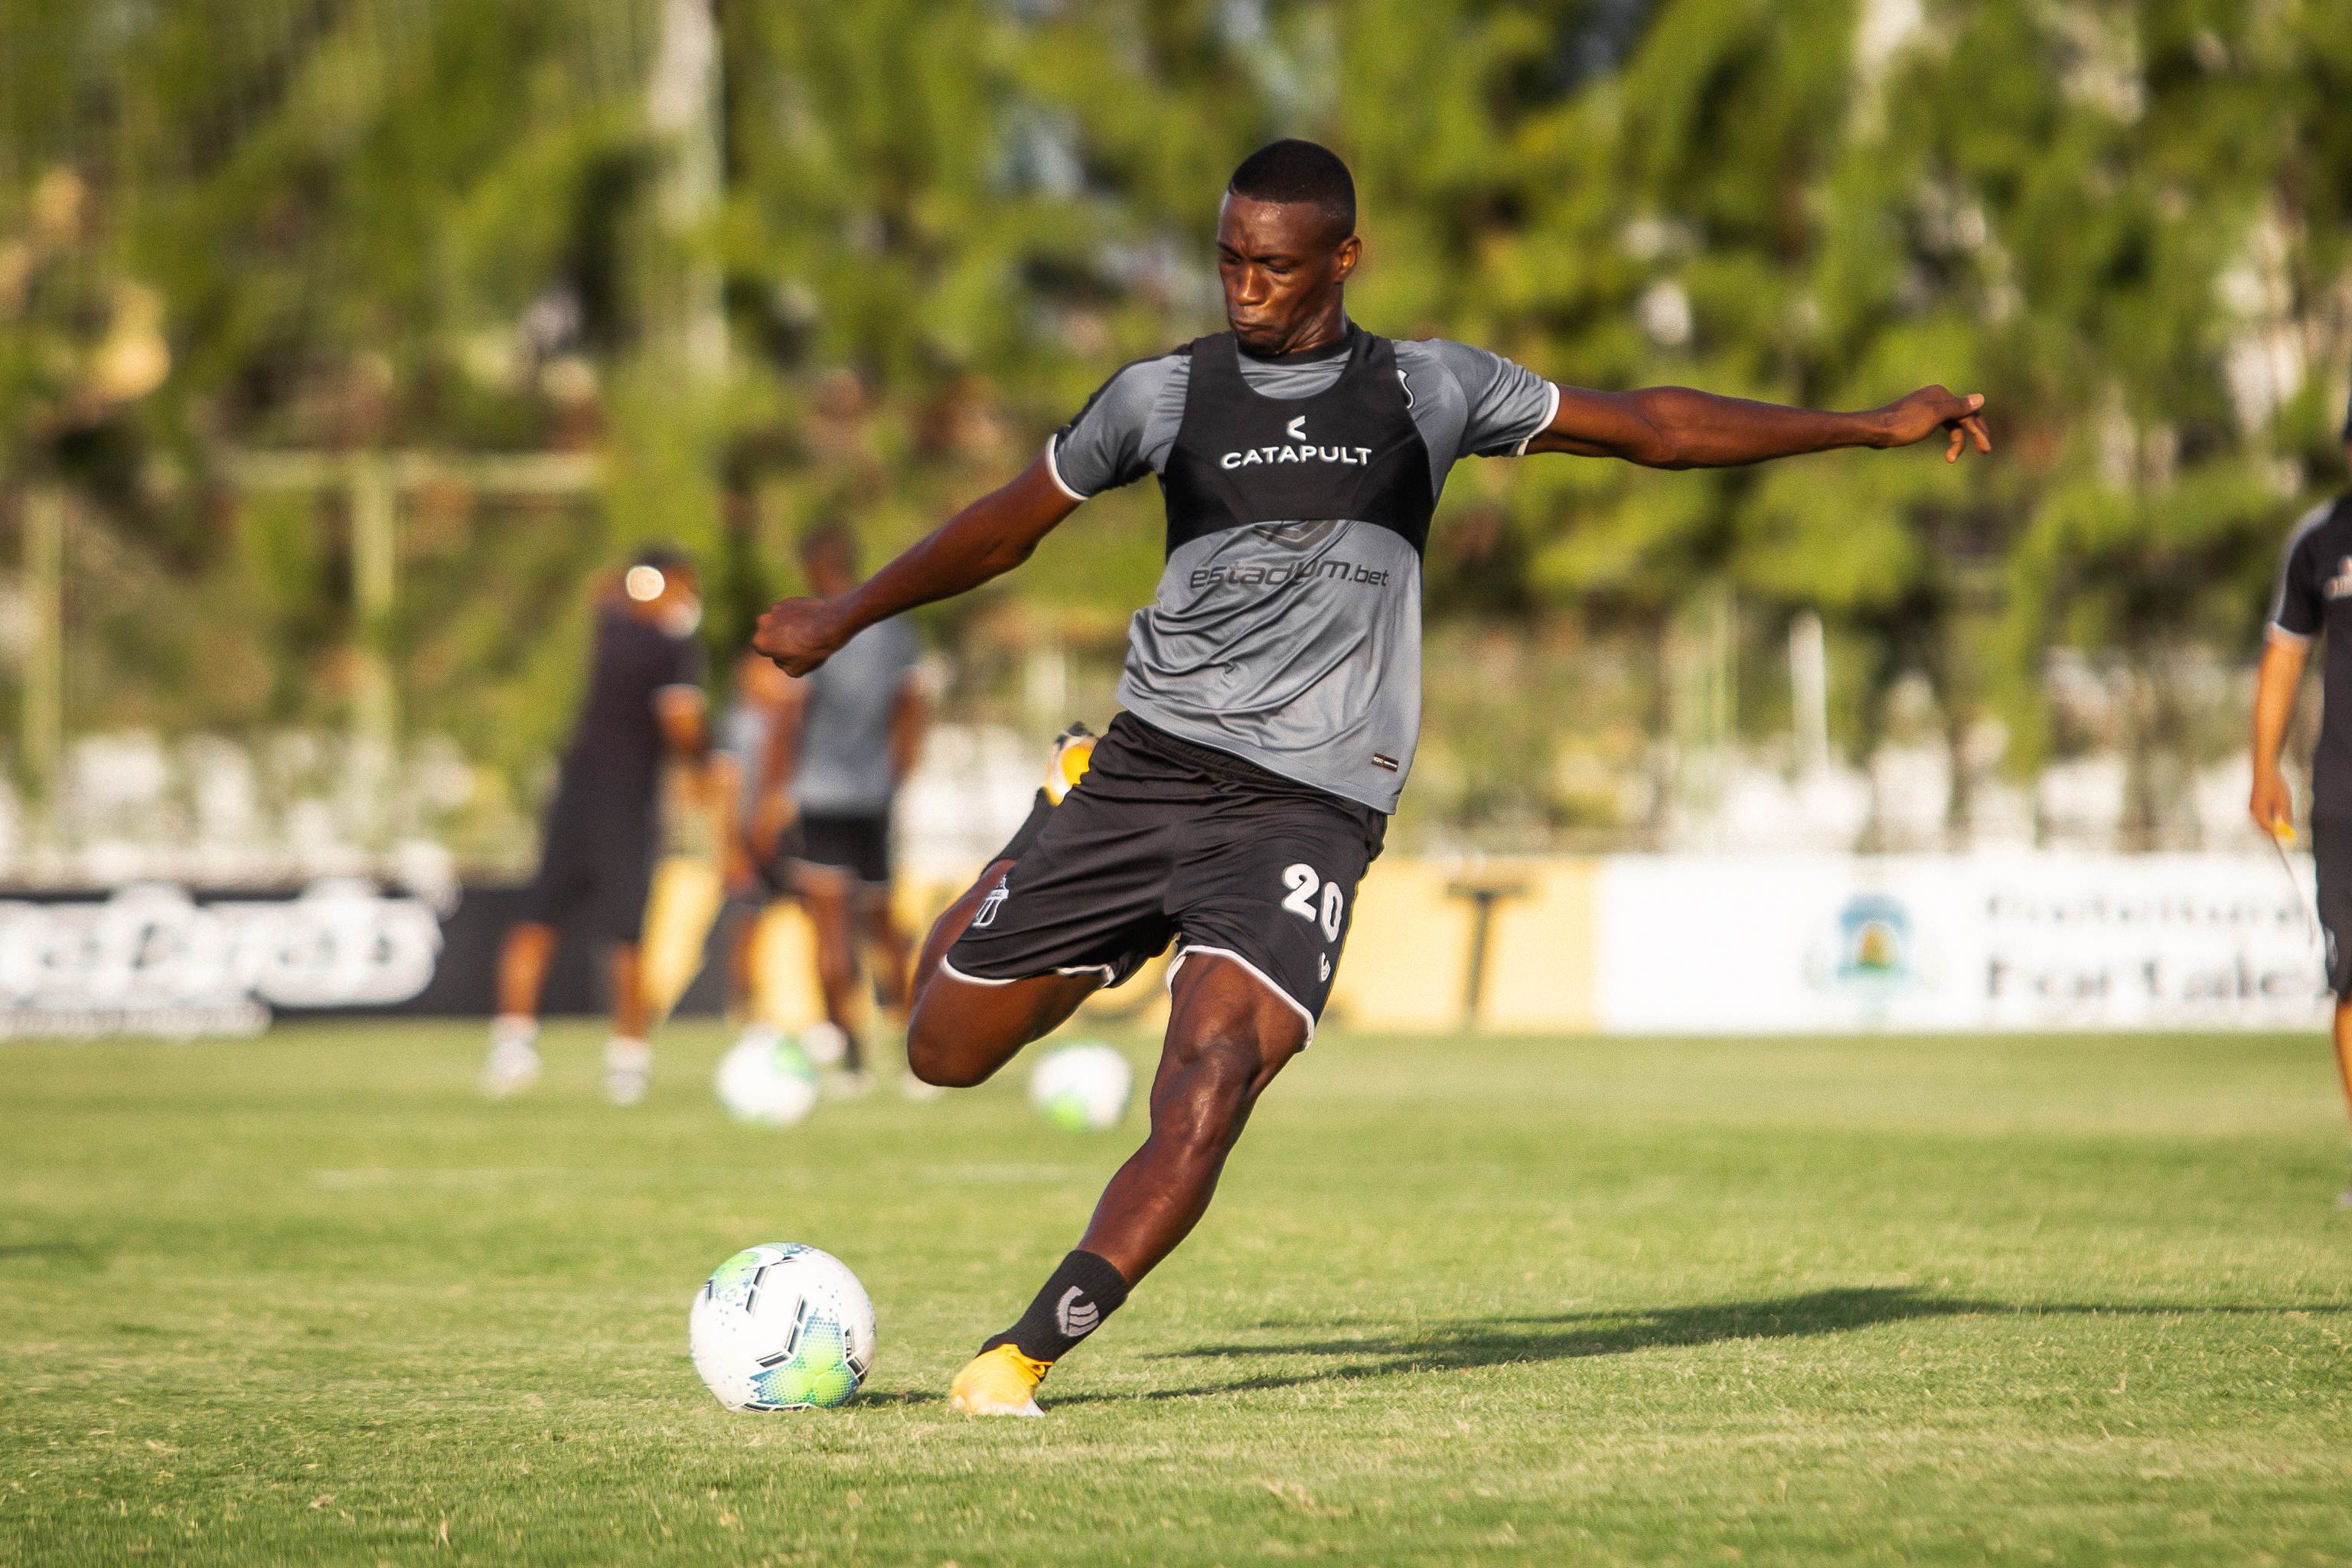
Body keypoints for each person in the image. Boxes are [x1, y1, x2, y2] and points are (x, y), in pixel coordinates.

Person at [752, 139, 1992, 1415]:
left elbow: (1655, 427)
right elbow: (1009, 522)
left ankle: (1020, 1351)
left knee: (1211, 1076)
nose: (1245, 286)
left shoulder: (1431, 388)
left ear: (1344, 258)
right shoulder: (1161, 396)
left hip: (1308, 807)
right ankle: (1049, 813)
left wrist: (1864, 426)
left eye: (1274, 266)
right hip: (1145, 770)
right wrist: (846, 611)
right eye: (1229, 258)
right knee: (940, 1051)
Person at [482, 546, 710, 1106]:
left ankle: (512, 1044)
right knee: (624, 931)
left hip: (575, 788)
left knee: (538, 916)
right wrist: (704, 764)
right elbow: (681, 723)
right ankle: (627, 1058)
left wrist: (636, 587)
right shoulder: (668, 646)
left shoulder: (609, 625)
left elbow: (604, 587)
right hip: (626, 798)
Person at [756, 522, 927, 1092]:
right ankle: (916, 1050)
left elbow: (787, 718)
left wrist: (768, 796)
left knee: (830, 931)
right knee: (882, 925)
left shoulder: (815, 625)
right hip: (872, 795)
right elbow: (910, 707)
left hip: (821, 794)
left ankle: (852, 1059)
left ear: (815, 567)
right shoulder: (892, 626)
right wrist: (896, 773)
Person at [2248, 403, 2352, 1208]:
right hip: (2342, 793)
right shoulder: (2319, 541)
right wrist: (2263, 767)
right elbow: (2283, 659)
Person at [712, 645, 805, 1038]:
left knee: (820, 920)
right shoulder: (738, 725)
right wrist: (732, 846)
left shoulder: (800, 721)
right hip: (752, 838)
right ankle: (745, 1012)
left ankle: (827, 1014)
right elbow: (725, 788)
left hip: (796, 838)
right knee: (747, 923)